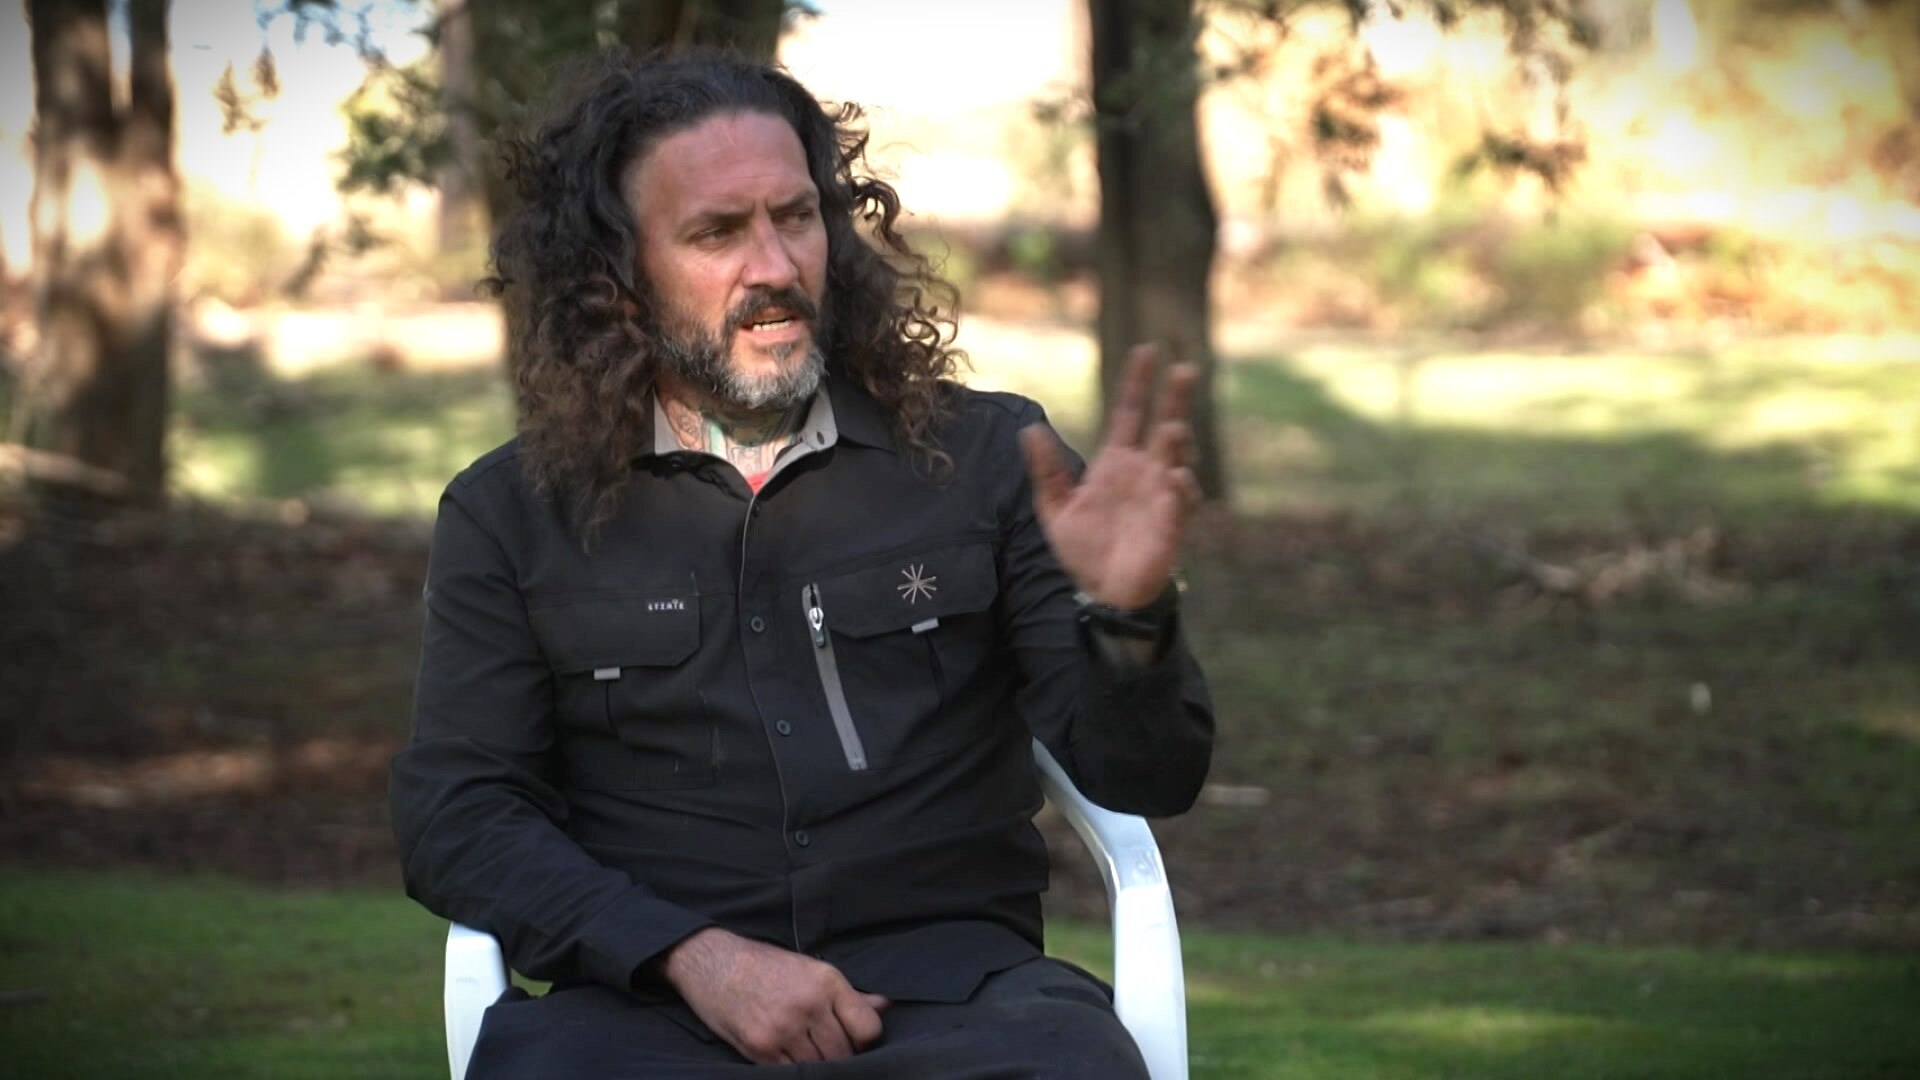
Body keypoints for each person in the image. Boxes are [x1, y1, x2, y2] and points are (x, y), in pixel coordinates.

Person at [389, 50, 1214, 1079]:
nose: (774, 266)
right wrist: (686, 955)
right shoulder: (509, 514)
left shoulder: (990, 462)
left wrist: (1128, 617)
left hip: (962, 1010)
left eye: (795, 215)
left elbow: (1148, 777)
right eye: (718, 233)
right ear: (620, 273)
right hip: (645, 1012)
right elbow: (457, 816)